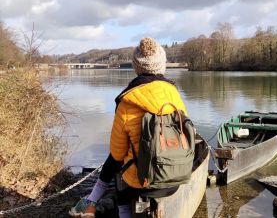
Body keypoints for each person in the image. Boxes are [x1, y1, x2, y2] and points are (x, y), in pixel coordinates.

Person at [69, 37, 188, 218]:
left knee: (119, 162)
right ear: (162, 65)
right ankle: (94, 203)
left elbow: (117, 155)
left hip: (141, 183)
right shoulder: (174, 95)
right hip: (176, 178)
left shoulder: (127, 101)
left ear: (136, 67)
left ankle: (105, 207)